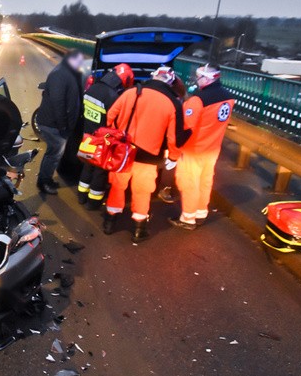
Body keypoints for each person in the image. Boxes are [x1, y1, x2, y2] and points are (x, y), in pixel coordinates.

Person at [103, 66, 191, 243]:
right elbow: (174, 137)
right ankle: (138, 229)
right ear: (171, 82)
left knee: (117, 186)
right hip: (150, 156)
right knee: (142, 191)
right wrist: (173, 157)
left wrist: (115, 137)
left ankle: (110, 223)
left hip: (124, 152)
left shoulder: (132, 92)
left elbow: (110, 115)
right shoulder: (173, 103)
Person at [169, 66, 235, 230]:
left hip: (194, 149)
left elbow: (186, 127)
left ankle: (188, 218)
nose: (196, 80)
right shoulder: (228, 98)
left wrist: (175, 149)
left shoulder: (197, 100)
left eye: (198, 77)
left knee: (189, 182)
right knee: (205, 181)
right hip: (213, 148)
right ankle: (200, 213)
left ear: (207, 79)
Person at [77, 63, 134, 209]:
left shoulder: (93, 88)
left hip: (87, 136)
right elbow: (115, 120)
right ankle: (93, 203)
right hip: (103, 139)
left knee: (87, 166)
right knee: (100, 172)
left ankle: (81, 196)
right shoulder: (113, 96)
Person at [35, 49, 85, 194]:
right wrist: (63, 126)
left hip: (56, 123)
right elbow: (58, 103)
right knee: (53, 153)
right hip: (53, 124)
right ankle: (43, 182)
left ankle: (47, 179)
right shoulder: (60, 74)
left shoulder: (68, 72)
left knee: (55, 153)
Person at [156, 75, 188, 204]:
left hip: (163, 135)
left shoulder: (162, 97)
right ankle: (164, 189)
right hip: (169, 135)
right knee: (166, 165)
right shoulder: (180, 99)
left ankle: (162, 188)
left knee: (161, 164)